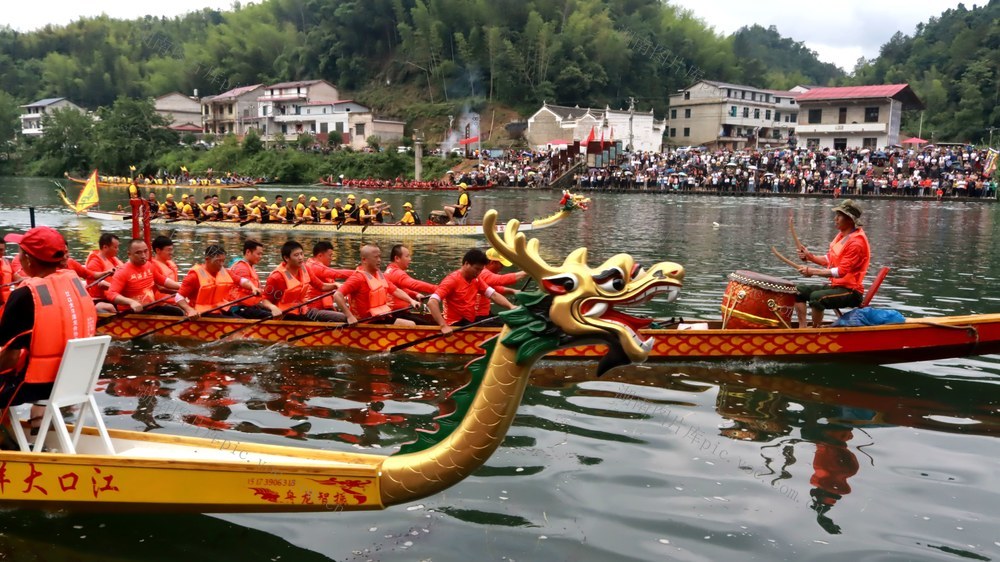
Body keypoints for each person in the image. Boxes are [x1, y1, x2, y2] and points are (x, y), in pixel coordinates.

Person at [0, 227, 97, 424]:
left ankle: (6, 439)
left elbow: (9, 359)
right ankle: (30, 429)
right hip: (76, 381)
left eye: (20, 252)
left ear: (27, 259)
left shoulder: (24, 295)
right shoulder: (77, 284)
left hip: (37, 384)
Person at [795, 199, 871, 328]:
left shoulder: (856, 242)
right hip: (837, 286)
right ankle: (803, 328)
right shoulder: (842, 236)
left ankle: (815, 330)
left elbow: (840, 272)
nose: (835, 219)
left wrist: (812, 271)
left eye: (839, 216)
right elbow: (830, 259)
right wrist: (810, 257)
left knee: (816, 298)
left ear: (849, 219)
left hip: (851, 292)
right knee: (797, 291)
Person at [428, 248, 515, 333]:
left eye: (481, 270)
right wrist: (443, 326)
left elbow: (493, 295)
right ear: (466, 263)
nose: (478, 273)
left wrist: (511, 306)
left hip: (470, 321)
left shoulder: (476, 279)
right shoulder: (452, 280)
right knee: (505, 326)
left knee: (508, 321)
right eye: (476, 269)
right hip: (456, 324)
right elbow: (432, 302)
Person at [334, 244, 420, 326]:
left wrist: (411, 300)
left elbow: (395, 290)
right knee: (411, 324)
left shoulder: (379, 275)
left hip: (380, 318)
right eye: (376, 257)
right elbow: (337, 295)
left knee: (413, 322)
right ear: (364, 260)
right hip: (366, 323)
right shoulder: (357, 278)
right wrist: (349, 316)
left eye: (380, 257)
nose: (379, 260)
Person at [104, 239, 192, 316]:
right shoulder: (122, 272)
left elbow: (163, 280)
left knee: (178, 312)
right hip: (132, 312)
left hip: (151, 307)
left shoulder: (149, 265)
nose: (143, 256)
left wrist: (184, 287)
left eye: (145, 251)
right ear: (129, 254)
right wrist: (131, 302)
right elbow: (111, 294)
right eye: (138, 253)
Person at [264, 241, 344, 322]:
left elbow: (321, 286)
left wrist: (335, 285)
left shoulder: (305, 268)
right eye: (296, 255)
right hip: (286, 315)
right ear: (286, 258)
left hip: (304, 311)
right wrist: (273, 308)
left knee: (343, 317)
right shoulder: (277, 277)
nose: (300, 258)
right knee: (341, 318)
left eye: (301, 254)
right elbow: (265, 300)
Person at [179, 245, 258, 315]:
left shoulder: (225, 272)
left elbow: (241, 281)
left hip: (219, 309)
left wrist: (253, 287)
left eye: (223, 261)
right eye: (218, 261)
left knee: (240, 319)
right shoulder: (194, 276)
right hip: (201, 314)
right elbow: (178, 297)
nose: (221, 264)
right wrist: (190, 310)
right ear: (207, 259)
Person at [228, 240, 282, 319]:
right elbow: (245, 296)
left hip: (249, 306)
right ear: (248, 252)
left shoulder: (250, 266)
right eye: (258, 254)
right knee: (273, 315)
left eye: (261, 254)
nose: (260, 256)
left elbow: (258, 293)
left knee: (279, 310)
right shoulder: (241, 268)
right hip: (239, 308)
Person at [475, 248, 527, 322]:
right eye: (501, 265)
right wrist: (526, 272)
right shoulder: (483, 273)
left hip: (484, 314)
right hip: (477, 317)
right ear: (493, 262)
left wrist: (513, 291)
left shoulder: (483, 274)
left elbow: (495, 289)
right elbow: (501, 279)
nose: (502, 268)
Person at [304, 241, 354, 315]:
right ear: (320, 256)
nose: (331, 258)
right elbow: (337, 273)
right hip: (314, 309)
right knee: (348, 316)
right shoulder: (314, 266)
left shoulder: (314, 265)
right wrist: (360, 272)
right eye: (330, 255)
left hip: (323, 308)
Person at [85, 233, 122, 301]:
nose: (118, 249)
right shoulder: (94, 263)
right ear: (105, 247)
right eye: (115, 247)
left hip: (115, 295)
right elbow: (100, 284)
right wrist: (120, 289)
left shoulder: (112, 259)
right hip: (101, 299)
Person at [150, 235, 179, 301]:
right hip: (162, 302)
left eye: (172, 249)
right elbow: (161, 288)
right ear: (158, 250)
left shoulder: (170, 264)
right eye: (169, 250)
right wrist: (181, 292)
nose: (172, 253)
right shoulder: (153, 265)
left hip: (175, 299)